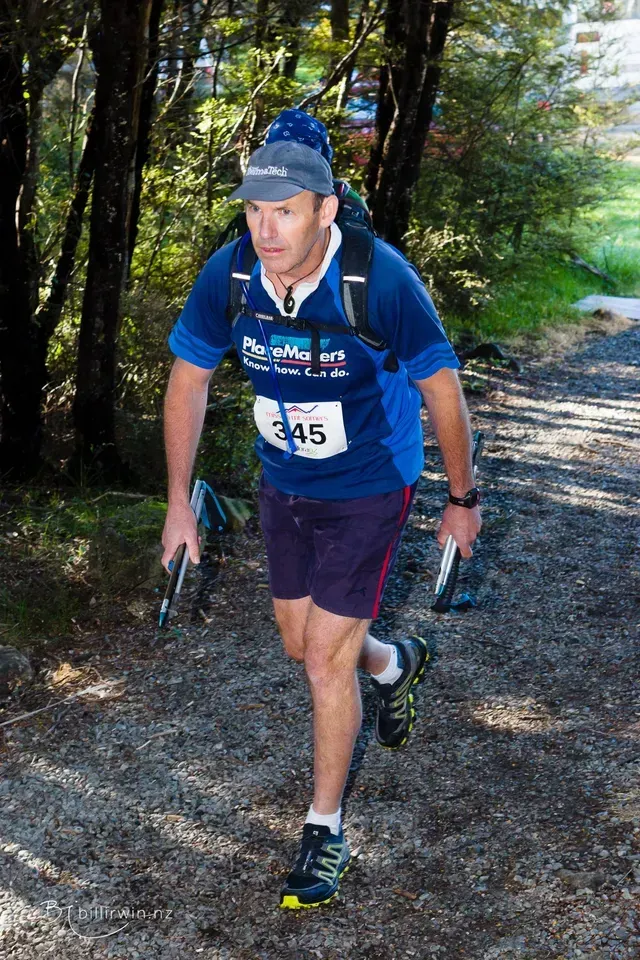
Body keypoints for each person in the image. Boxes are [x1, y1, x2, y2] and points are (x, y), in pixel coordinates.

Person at [161, 110, 481, 910]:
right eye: (254, 211)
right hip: (285, 482)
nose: (266, 230)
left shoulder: (380, 280)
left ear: (325, 208)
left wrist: (460, 499)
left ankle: (324, 830)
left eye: (286, 211)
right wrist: (177, 503)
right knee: (301, 641)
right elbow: (190, 379)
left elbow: (441, 387)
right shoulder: (230, 275)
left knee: (320, 664)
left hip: (371, 484)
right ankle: (396, 662)